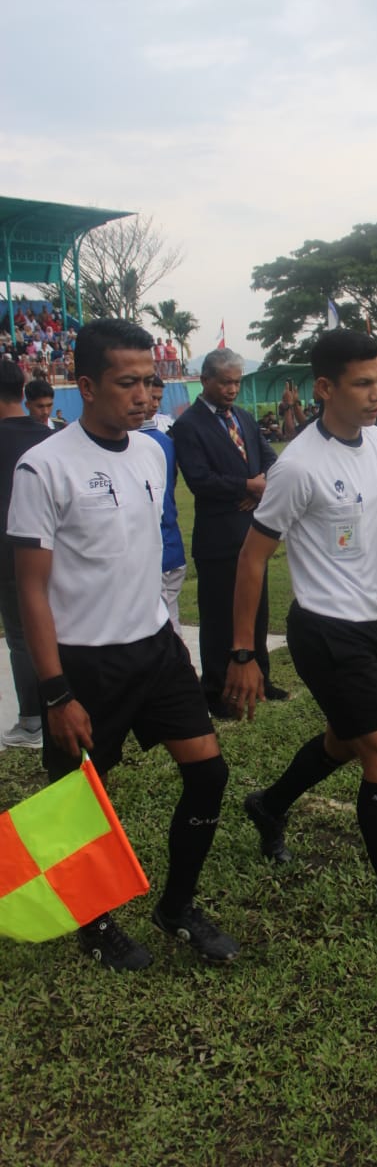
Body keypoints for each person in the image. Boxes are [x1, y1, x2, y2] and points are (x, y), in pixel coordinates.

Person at [8, 319, 238, 969]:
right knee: (78, 801)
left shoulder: (152, 452)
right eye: (127, 383)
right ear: (85, 386)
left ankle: (177, 907)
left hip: (155, 648)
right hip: (85, 663)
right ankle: (96, 924)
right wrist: (56, 693)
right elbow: (31, 590)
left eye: (150, 381)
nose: (144, 395)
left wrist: (169, 633)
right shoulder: (43, 466)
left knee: (209, 773)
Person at [225, 329, 377, 933]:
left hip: (370, 625)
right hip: (325, 632)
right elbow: (252, 559)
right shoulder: (298, 467)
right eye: (363, 383)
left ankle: (269, 805)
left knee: (345, 742)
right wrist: (244, 652)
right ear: (325, 388)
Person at [171, 348, 285, 718]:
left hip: (253, 529)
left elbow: (270, 459)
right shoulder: (188, 426)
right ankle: (217, 690)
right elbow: (199, 480)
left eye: (236, 382)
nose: (232, 389)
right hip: (218, 536)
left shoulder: (243, 418)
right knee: (219, 616)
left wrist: (259, 488)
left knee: (257, 608)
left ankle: (261, 678)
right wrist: (247, 486)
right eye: (225, 382)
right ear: (205, 380)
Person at [0, 361, 52, 750]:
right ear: (23, 391)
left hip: (11, 555)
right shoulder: (51, 438)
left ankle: (33, 720)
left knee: (21, 635)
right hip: (55, 550)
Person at [140, 383, 187, 631]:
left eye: (158, 398)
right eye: (152, 397)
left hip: (158, 544)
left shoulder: (161, 441)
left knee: (161, 622)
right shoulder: (165, 441)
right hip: (167, 542)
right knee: (169, 616)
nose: (154, 404)